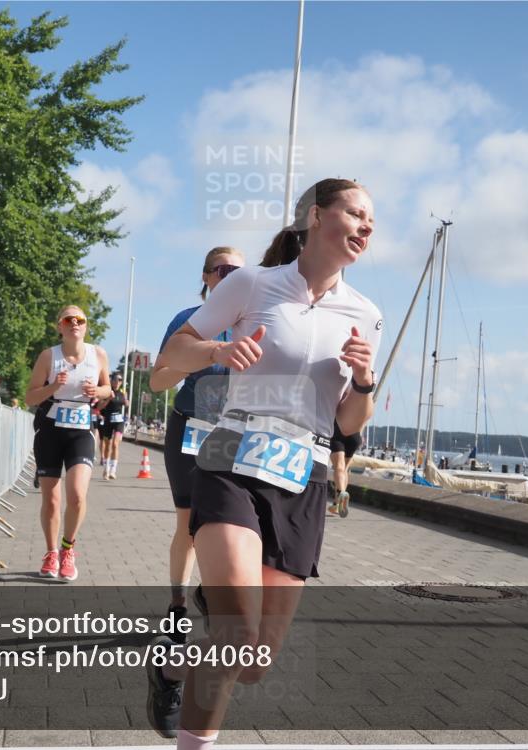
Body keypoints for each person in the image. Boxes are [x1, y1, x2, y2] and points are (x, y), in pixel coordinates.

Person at [147, 179, 382, 744]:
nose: (367, 227)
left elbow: (348, 422)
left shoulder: (366, 313)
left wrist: (366, 381)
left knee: (253, 662)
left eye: (372, 220)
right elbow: (169, 358)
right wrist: (218, 351)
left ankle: (172, 667)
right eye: (356, 213)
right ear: (316, 217)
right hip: (232, 456)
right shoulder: (252, 284)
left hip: (304, 475)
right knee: (234, 635)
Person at [149, 246, 246, 638]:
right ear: (207, 277)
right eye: (224, 270)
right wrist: (199, 358)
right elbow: (157, 381)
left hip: (232, 434)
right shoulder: (187, 321)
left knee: (226, 523)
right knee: (189, 525)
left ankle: (213, 594)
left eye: (241, 271)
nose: (233, 276)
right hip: (189, 428)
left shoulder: (251, 321)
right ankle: (178, 602)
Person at [25, 306, 112, 582]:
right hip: (50, 431)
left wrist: (97, 391)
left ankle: (67, 549)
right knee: (52, 500)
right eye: (68, 320)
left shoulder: (98, 355)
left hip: (81, 431)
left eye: (80, 320)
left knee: (77, 496)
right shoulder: (49, 356)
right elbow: (30, 397)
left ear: (86, 326)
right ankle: (51, 553)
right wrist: (53, 386)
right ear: (60, 327)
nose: (74, 323)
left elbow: (109, 390)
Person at [328, 421, 362, 517]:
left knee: (339, 467)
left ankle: (341, 493)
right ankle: (336, 504)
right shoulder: (355, 405)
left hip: (337, 432)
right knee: (344, 470)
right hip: (355, 434)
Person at [99, 372, 128, 479]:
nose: (118, 382)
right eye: (116, 379)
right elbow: (100, 407)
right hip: (108, 421)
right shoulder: (107, 392)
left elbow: (127, 404)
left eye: (120, 380)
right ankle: (106, 469)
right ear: (111, 381)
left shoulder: (123, 392)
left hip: (119, 421)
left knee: (115, 444)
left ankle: (113, 470)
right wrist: (108, 399)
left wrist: (126, 400)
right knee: (107, 446)